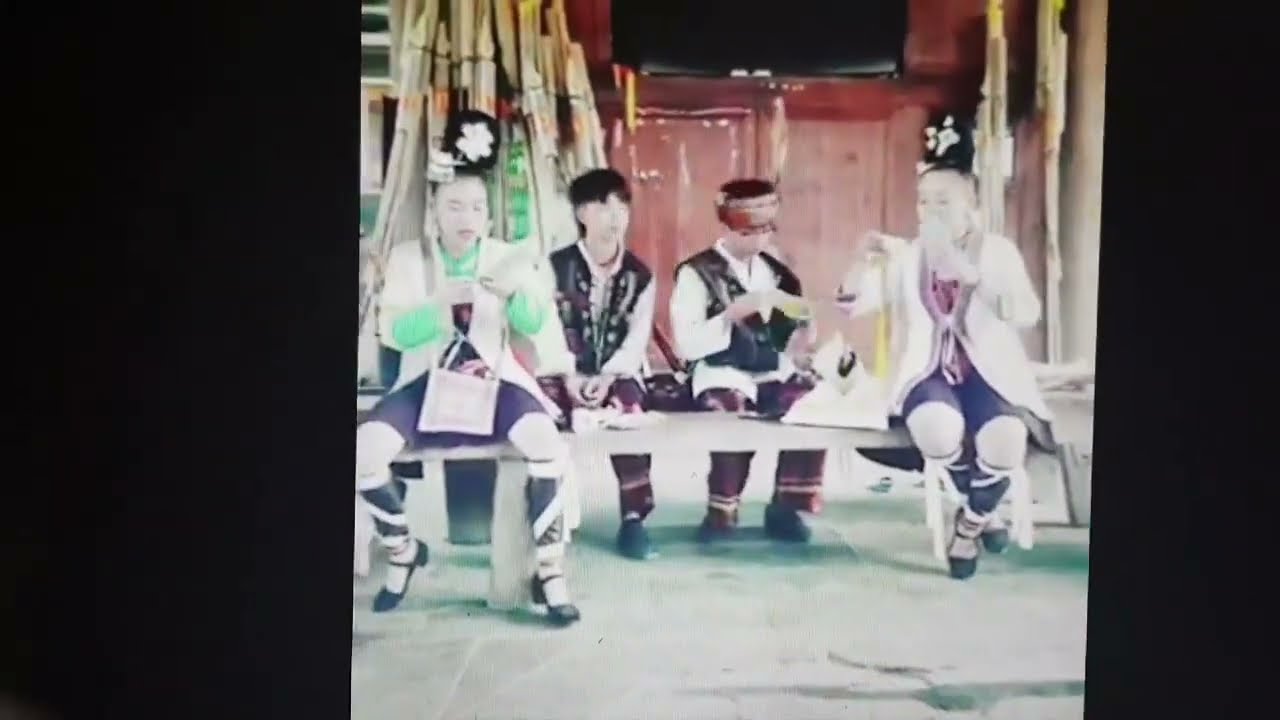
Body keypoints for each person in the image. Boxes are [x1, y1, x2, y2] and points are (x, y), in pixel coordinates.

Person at [355, 109, 580, 626]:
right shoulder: (412, 259)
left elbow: (535, 321)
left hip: (497, 380)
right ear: (435, 212)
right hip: (426, 382)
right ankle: (404, 550)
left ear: (489, 216)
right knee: (364, 452)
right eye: (454, 206)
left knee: (546, 443)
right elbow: (393, 334)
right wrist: (436, 306)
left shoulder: (509, 256)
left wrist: (514, 294)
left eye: (476, 207)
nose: (466, 217)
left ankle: (549, 571)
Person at [837, 113, 1054, 580]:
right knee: (937, 430)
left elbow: (1026, 313)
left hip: (987, 371)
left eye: (943, 200)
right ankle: (983, 512)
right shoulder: (905, 256)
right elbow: (854, 305)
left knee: (1006, 441)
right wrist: (861, 258)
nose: (931, 210)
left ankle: (970, 524)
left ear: (970, 203)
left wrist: (971, 274)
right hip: (926, 371)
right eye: (923, 202)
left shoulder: (998, 252)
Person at [669, 178, 825, 544]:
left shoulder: (777, 273)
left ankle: (787, 507)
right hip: (722, 370)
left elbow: (787, 341)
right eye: (749, 231)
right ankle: (721, 510)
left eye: (766, 230)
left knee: (811, 403)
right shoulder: (697, 273)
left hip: (772, 369)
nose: (759, 240)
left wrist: (803, 337)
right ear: (727, 225)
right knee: (728, 409)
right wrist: (729, 316)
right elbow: (685, 344)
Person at [538, 168, 659, 560]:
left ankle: (634, 519)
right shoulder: (553, 267)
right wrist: (569, 374)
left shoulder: (641, 276)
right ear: (580, 213)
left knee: (630, 412)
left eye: (621, 205)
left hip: (617, 372)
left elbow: (637, 338)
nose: (614, 215)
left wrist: (608, 376)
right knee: (541, 418)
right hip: (562, 372)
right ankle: (547, 521)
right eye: (603, 205)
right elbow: (546, 329)